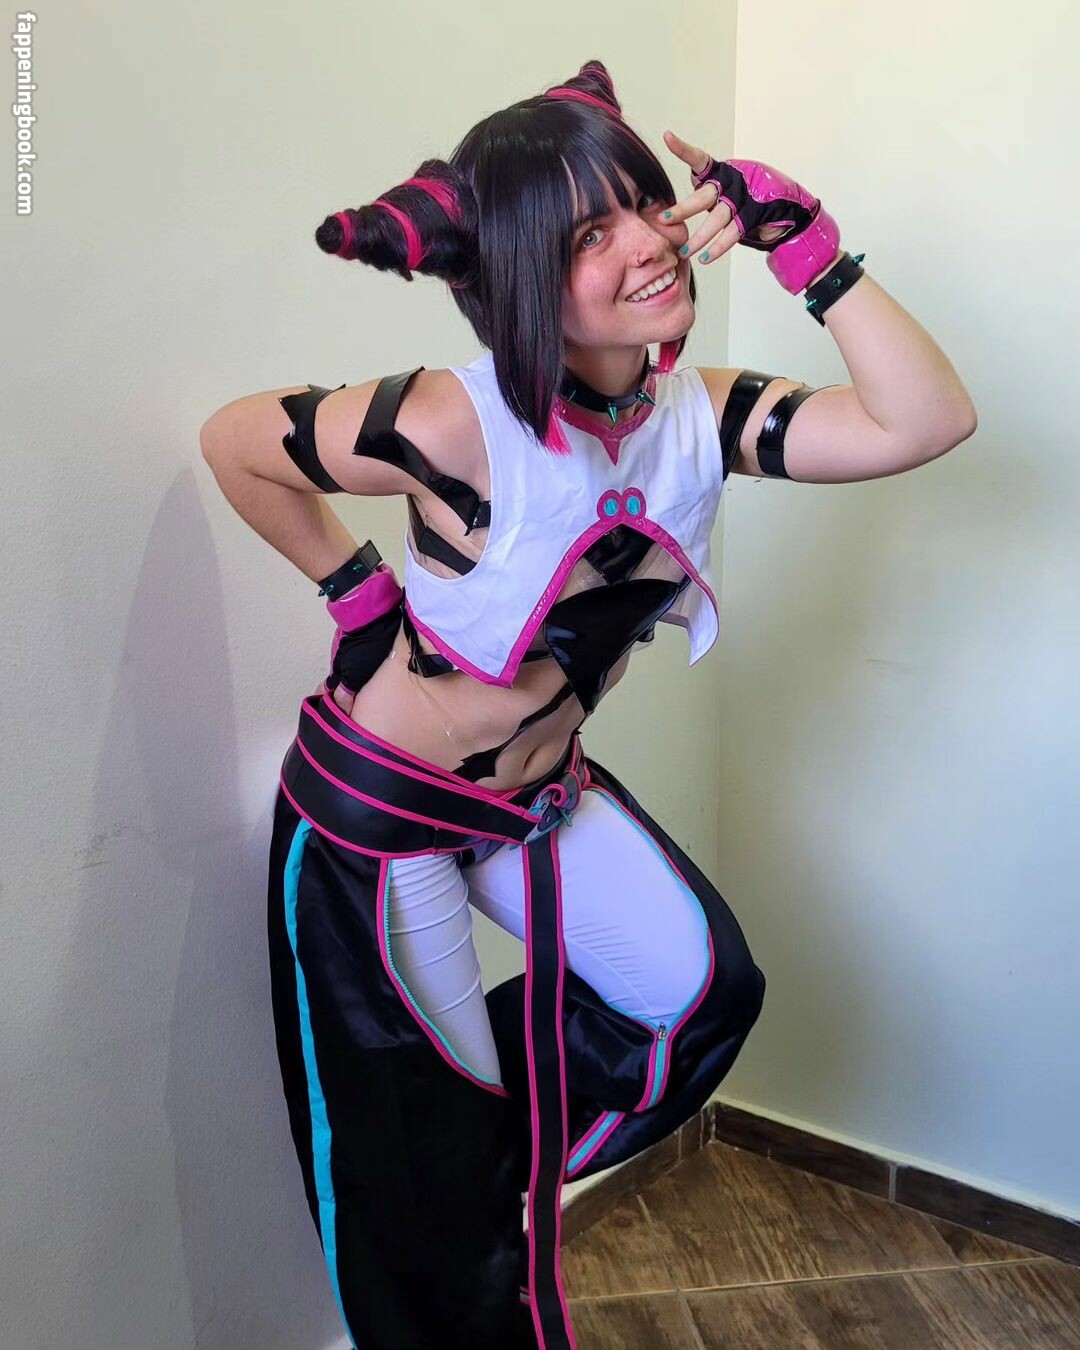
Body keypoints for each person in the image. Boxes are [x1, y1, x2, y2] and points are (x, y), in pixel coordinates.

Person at [199, 55, 922, 1350]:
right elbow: (237, 443)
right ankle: (445, 1198)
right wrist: (357, 597)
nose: (649, 241)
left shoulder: (699, 414)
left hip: (538, 800)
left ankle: (464, 1168)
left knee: (699, 994)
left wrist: (810, 249)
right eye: (592, 232)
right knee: (417, 1171)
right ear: (526, 273)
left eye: (646, 204)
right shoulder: (452, 422)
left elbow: (919, 423)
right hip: (386, 827)